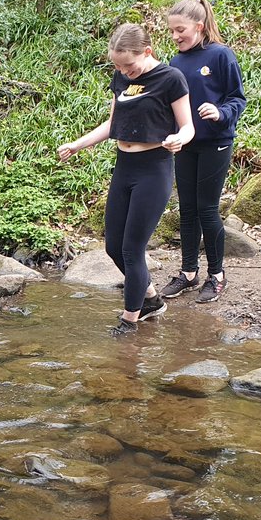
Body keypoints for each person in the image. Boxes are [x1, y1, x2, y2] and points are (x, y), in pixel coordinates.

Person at [57, 23, 194, 335]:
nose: (123, 71)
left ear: (147, 52)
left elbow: (188, 126)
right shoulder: (121, 76)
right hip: (125, 166)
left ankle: (128, 321)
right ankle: (150, 300)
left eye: (128, 65)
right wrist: (78, 144)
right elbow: (113, 122)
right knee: (113, 248)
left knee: (133, 249)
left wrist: (178, 138)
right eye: (117, 65)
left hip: (154, 167)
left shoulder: (171, 78)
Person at [159, 0, 246, 304]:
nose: (175, 36)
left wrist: (220, 112)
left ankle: (217, 276)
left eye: (180, 30)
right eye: (171, 31)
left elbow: (238, 98)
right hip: (186, 144)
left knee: (207, 209)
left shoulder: (221, 55)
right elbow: (169, 104)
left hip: (216, 142)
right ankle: (188, 273)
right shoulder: (176, 62)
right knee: (187, 209)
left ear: (198, 26)